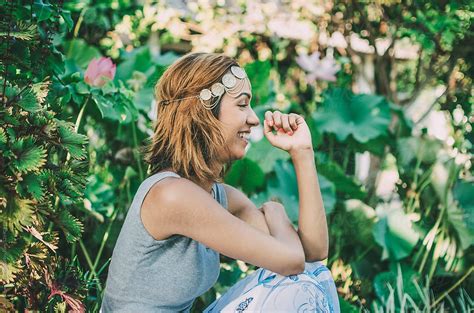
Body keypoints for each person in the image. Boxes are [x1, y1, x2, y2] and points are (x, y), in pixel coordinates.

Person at [100, 52, 339, 312]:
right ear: (204, 112)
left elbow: (312, 255)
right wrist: (277, 213)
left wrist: (302, 153)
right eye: (242, 104)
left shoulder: (218, 196)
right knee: (298, 286)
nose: (254, 119)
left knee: (311, 275)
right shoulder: (171, 194)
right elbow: (292, 261)